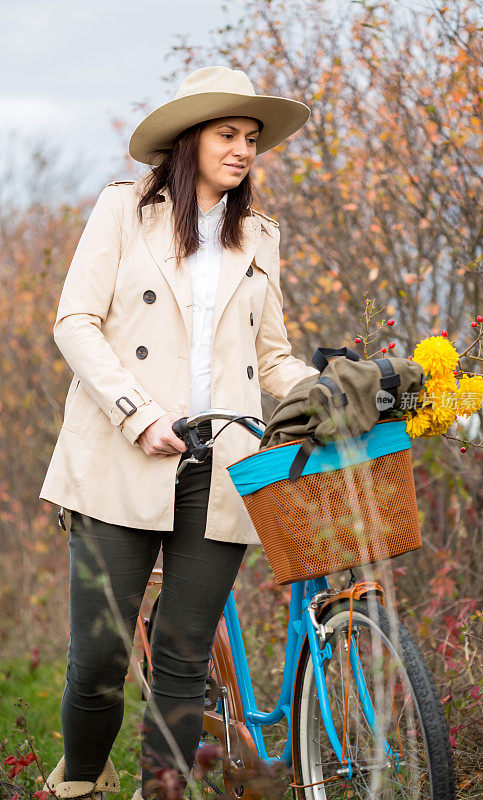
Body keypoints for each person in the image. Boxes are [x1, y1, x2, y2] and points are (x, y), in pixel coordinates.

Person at [39, 65, 319, 800]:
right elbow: (75, 322)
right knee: (98, 657)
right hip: (121, 456)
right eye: (228, 134)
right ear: (189, 139)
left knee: (185, 655)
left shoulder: (258, 236)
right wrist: (137, 413)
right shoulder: (124, 210)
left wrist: (329, 393)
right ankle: (79, 780)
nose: (242, 150)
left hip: (220, 461)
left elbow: (273, 358)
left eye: (251, 139)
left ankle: (160, 792)